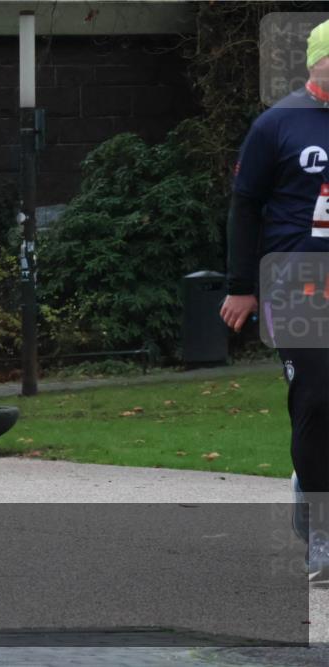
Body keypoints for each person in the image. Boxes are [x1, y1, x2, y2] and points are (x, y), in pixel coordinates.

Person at [220, 20, 329, 579]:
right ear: (317, 62)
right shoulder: (278, 123)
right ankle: (322, 535)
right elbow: (245, 205)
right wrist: (241, 285)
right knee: (316, 399)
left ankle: (307, 482)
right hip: (297, 281)